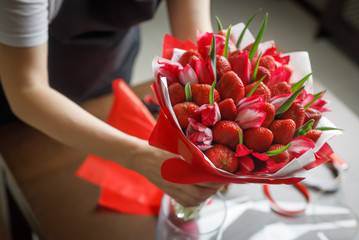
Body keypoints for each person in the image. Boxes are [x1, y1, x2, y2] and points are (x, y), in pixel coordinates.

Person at [0, 0, 222, 207]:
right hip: (23, 80)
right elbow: (26, 90)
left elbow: (194, 45)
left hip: (111, 63)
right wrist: (138, 156)